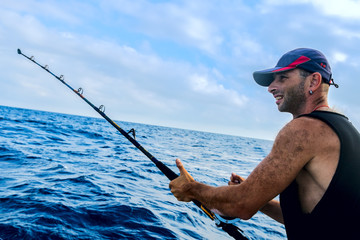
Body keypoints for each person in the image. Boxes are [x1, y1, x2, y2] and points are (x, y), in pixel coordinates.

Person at [169, 48, 360, 239]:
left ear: (314, 81)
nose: (271, 87)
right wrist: (260, 198)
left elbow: (240, 205)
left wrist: (191, 189)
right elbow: (319, 219)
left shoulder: (304, 129)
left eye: (282, 78)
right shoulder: (346, 131)